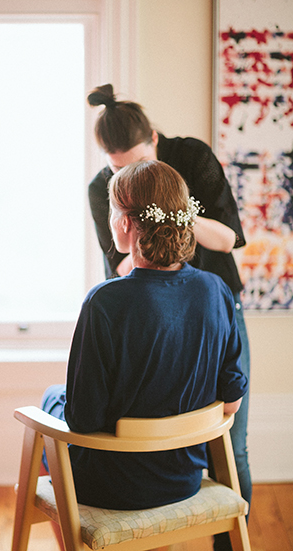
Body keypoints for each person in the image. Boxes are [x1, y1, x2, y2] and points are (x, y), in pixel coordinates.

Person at [85, 84, 251, 548]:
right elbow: (119, 262)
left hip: (210, 313)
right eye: (120, 171)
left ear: (154, 139)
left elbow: (229, 236)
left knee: (231, 448)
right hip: (149, 311)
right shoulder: (103, 188)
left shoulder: (191, 157)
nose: (127, 176)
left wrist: (169, 211)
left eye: (137, 164)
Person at [41, 160, 248, 513]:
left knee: (49, 402)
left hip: (111, 485)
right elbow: (231, 402)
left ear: (124, 223)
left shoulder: (104, 302)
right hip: (184, 480)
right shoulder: (216, 291)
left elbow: (84, 421)